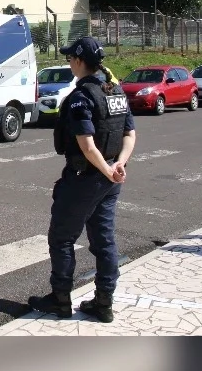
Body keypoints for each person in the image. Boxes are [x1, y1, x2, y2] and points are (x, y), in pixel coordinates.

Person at [29, 36, 137, 322]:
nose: (68, 63)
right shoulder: (115, 92)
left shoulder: (81, 97)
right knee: (104, 241)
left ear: (79, 61)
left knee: (62, 238)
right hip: (110, 177)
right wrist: (118, 166)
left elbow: (87, 146)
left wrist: (107, 170)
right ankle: (104, 302)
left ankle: (60, 299)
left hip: (84, 178)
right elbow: (130, 134)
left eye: (69, 59)